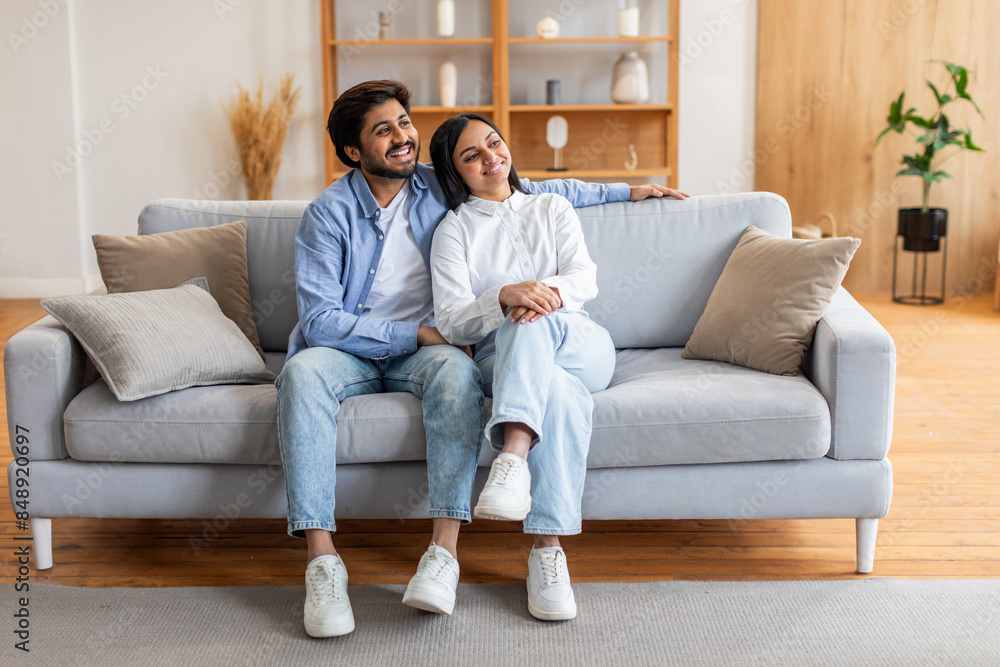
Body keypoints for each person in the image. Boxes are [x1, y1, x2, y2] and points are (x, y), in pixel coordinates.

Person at [276, 80, 683, 638]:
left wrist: (627, 190)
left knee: (463, 373)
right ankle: (322, 562)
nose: (402, 137)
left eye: (404, 122)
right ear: (353, 151)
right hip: (363, 347)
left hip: (439, 349)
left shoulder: (435, 186)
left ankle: (444, 553)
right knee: (299, 373)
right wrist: (421, 333)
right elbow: (321, 320)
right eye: (384, 130)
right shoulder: (328, 214)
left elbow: (522, 187)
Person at [428, 113, 688, 621]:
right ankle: (548, 553)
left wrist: (538, 297)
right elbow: (454, 321)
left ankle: (514, 454)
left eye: (494, 143)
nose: (490, 159)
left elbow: (583, 277)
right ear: (454, 172)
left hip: (580, 342)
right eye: (471, 156)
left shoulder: (552, 206)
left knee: (535, 322)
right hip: (501, 360)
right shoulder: (452, 231)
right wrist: (503, 297)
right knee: (558, 391)